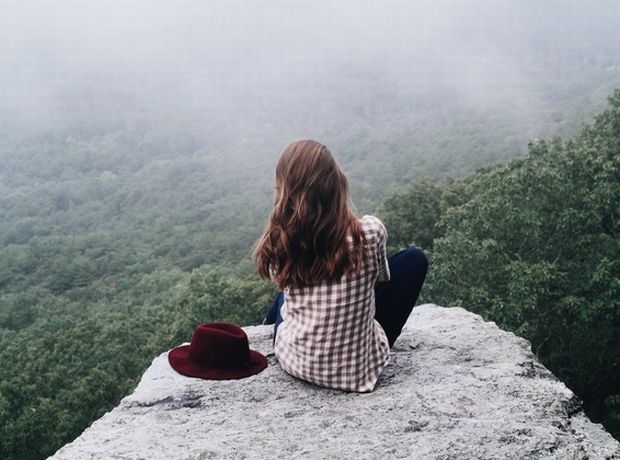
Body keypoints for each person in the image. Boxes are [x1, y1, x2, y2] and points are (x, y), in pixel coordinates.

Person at [253, 139, 427, 392]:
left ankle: (266, 326)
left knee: (283, 298)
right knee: (413, 260)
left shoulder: (281, 241)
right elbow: (378, 281)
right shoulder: (371, 232)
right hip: (358, 372)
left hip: (296, 362)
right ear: (336, 183)